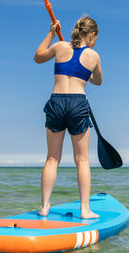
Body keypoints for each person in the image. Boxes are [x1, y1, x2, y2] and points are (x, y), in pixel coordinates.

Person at [34, 16, 102, 219]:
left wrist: (51, 34)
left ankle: (45, 207)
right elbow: (97, 81)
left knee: (52, 158)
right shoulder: (93, 55)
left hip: (56, 102)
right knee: (82, 160)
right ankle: (85, 210)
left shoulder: (59, 46)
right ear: (91, 34)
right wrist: (85, 71)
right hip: (77, 103)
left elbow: (38, 56)